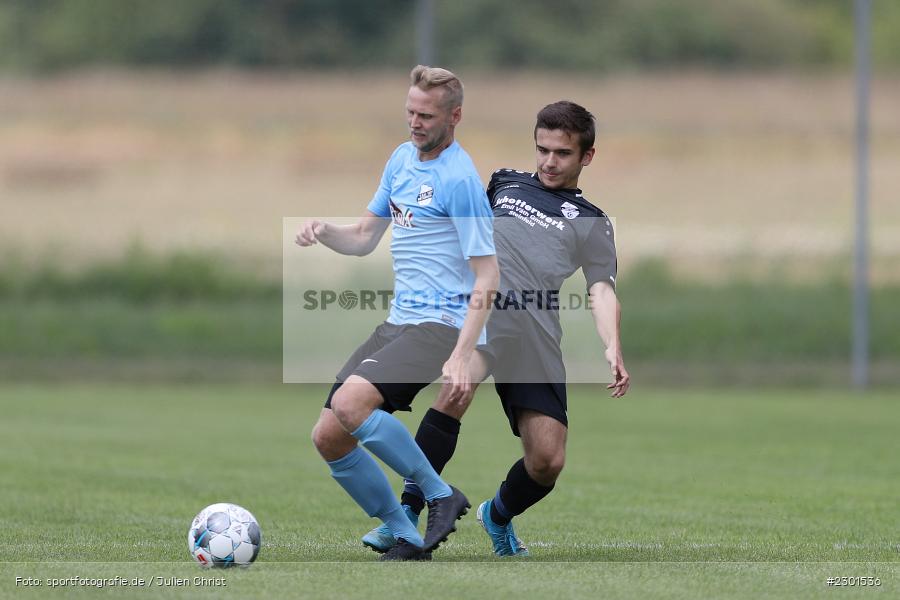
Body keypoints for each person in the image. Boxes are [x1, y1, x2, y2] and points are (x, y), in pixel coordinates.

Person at [361, 100, 630, 557]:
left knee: (547, 461)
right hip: (487, 312)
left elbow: (600, 289)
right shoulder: (504, 183)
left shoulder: (592, 222)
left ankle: (496, 515)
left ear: (587, 157)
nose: (548, 161)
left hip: (536, 329)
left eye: (562, 153)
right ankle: (405, 515)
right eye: (542, 149)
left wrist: (613, 345)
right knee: (455, 389)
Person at [295, 65, 499, 561]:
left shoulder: (460, 180)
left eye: (425, 115)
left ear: (455, 117)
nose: (414, 122)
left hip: (443, 322)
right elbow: (365, 238)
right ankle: (403, 532)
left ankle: (438, 495)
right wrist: (326, 231)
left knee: (351, 404)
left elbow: (488, 275)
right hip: (399, 320)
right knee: (329, 435)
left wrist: (462, 353)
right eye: (409, 111)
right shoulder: (400, 160)